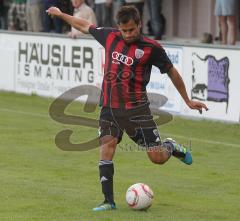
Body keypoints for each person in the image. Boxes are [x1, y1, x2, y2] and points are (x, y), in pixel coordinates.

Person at [46, 5, 208, 212]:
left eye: (132, 29)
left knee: (156, 158)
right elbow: (85, 25)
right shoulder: (110, 37)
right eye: (124, 30)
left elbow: (172, 72)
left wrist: (187, 100)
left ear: (139, 24)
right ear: (118, 28)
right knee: (107, 148)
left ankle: (171, 147)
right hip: (109, 108)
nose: (128, 34)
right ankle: (108, 201)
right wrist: (61, 15)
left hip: (137, 111)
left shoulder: (152, 48)